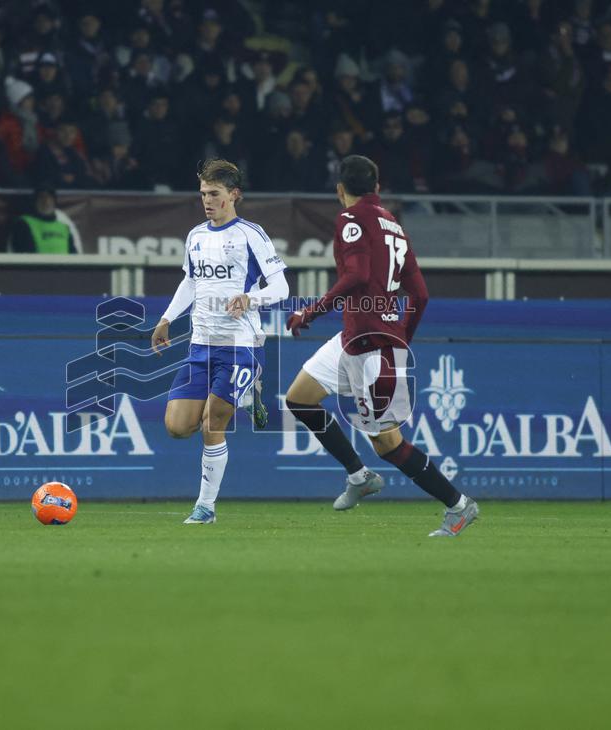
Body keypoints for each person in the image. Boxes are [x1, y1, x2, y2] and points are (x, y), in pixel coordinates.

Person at [283, 155, 479, 538]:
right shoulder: (394, 226)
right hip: (356, 339)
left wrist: (310, 312)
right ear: (378, 187)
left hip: (371, 346)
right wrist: (402, 335)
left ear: (341, 190)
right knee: (299, 398)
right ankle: (359, 475)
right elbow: (420, 294)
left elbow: (357, 275)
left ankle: (459, 505)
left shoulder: (350, 219)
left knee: (388, 444)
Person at [150, 159, 288, 525]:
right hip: (200, 346)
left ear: (234, 195)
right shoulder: (195, 236)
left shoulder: (251, 234)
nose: (207, 201)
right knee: (178, 427)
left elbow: (282, 286)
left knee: (213, 422)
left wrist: (250, 298)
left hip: (240, 345)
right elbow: (191, 283)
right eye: (203, 194)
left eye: (214, 194)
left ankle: (205, 507)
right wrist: (166, 318)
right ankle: (245, 396)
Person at [9, 186, 79, 253]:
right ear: (35, 201)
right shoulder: (24, 224)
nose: (46, 201)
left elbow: (73, 255)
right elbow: (25, 255)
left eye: (50, 197)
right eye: (42, 197)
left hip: (65, 265)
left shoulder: (64, 228)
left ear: (54, 202)